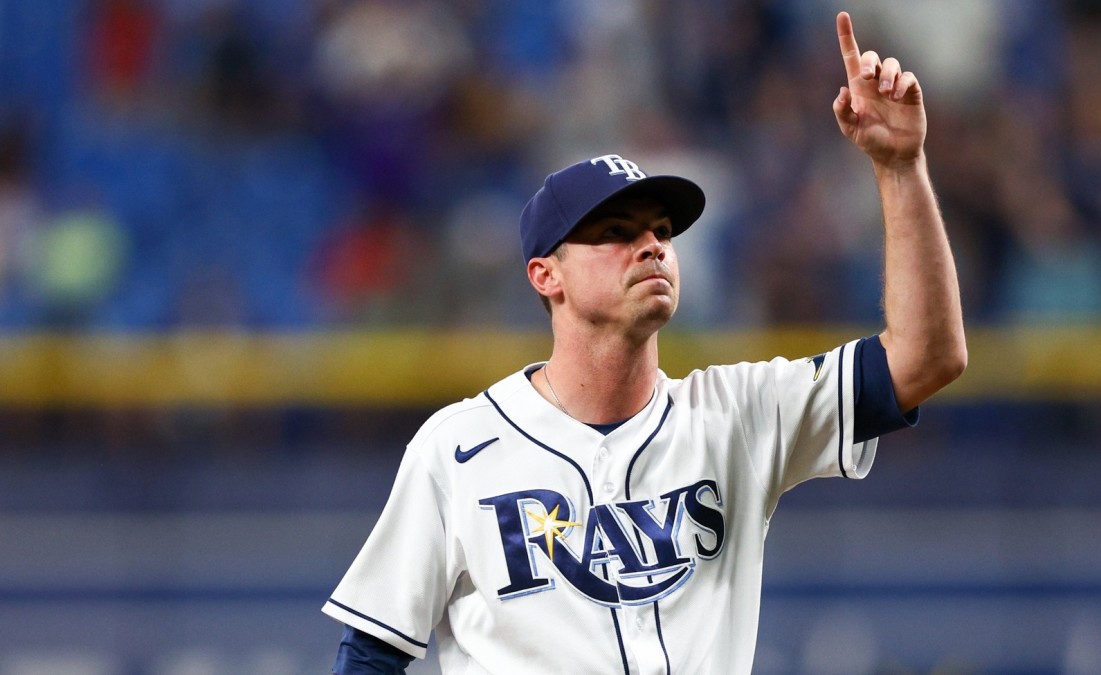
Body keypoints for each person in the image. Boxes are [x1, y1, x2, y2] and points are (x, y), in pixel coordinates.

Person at [323, 11, 966, 674]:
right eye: (616, 232)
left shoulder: (737, 413)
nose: (652, 245)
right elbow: (371, 651)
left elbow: (928, 357)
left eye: (660, 229)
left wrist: (900, 167)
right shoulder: (456, 450)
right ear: (547, 275)